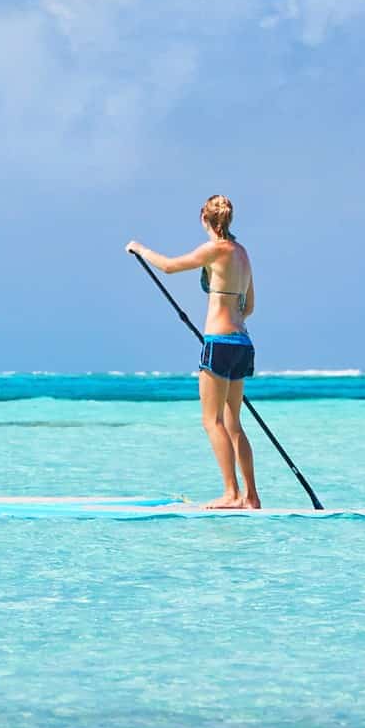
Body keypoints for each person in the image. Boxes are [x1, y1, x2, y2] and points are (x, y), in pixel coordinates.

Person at [129, 194, 261, 510]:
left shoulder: (214, 250)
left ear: (205, 218)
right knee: (234, 423)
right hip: (243, 344)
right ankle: (251, 496)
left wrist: (139, 249)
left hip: (218, 343)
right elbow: (250, 306)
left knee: (211, 421)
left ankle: (231, 494)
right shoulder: (242, 254)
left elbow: (170, 267)